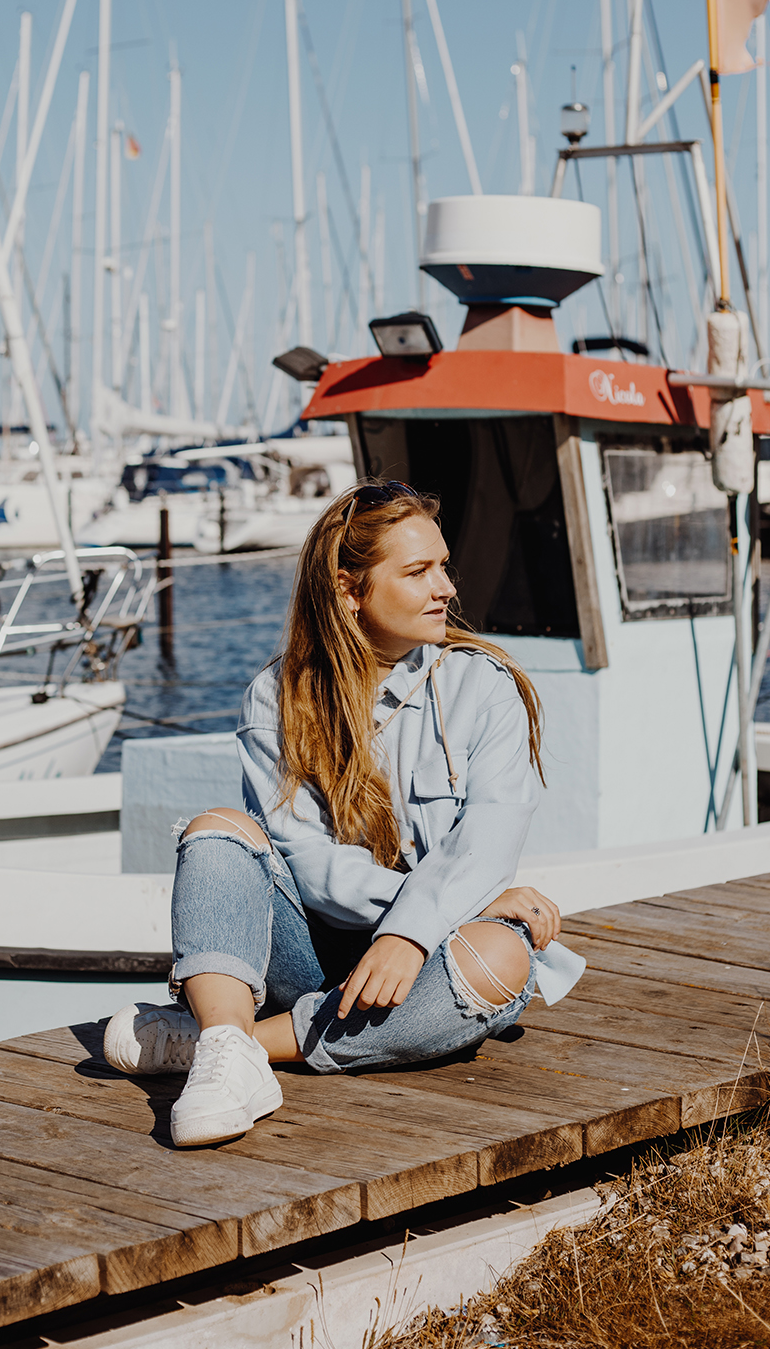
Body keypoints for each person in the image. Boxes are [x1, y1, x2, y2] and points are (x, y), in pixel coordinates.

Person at [105, 479, 578, 1148]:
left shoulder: (483, 686)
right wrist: (439, 910)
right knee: (218, 829)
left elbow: (488, 838)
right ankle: (230, 1046)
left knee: (501, 957)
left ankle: (229, 1042)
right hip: (314, 949)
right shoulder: (277, 694)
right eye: (418, 572)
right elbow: (305, 858)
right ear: (349, 590)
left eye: (443, 566)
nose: (445, 587)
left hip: (431, 965)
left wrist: (414, 933)